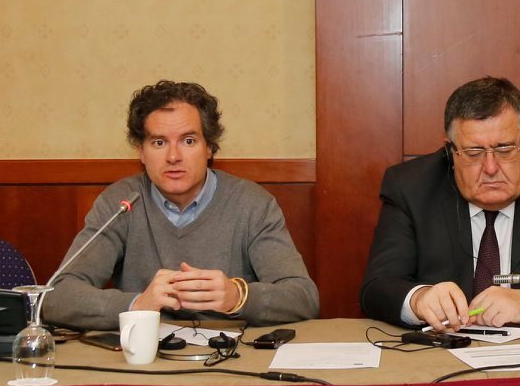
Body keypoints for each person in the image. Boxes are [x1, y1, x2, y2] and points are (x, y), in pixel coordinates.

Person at [41, 81, 318, 329]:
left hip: (230, 358)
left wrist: (238, 297)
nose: (173, 156)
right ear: (141, 151)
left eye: (188, 141)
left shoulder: (253, 204)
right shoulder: (121, 203)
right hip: (145, 358)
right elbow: (57, 297)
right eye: (159, 142)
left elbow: (303, 297)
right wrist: (138, 304)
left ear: (209, 147)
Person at [360, 76, 520, 329]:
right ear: (451, 152)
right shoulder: (411, 188)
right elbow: (377, 287)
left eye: (504, 149)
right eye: (474, 152)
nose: (491, 168)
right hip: (442, 349)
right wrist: (419, 298)